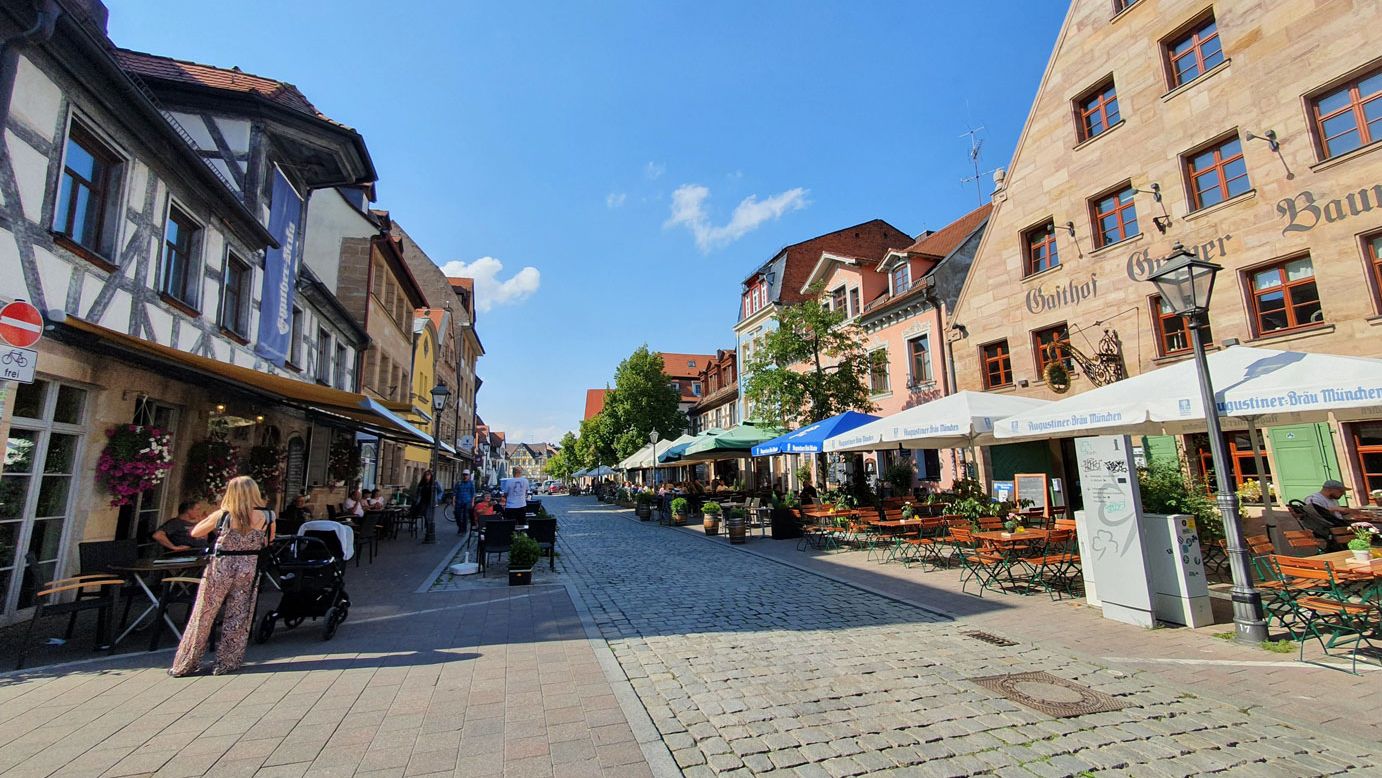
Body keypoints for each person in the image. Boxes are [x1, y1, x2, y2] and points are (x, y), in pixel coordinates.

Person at [169, 476, 274, 677]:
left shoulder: (223, 515)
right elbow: (269, 540)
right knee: (239, 615)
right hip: (248, 567)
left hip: (222, 566)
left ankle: (186, 663)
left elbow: (196, 533)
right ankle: (227, 662)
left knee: (205, 613)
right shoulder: (268, 516)